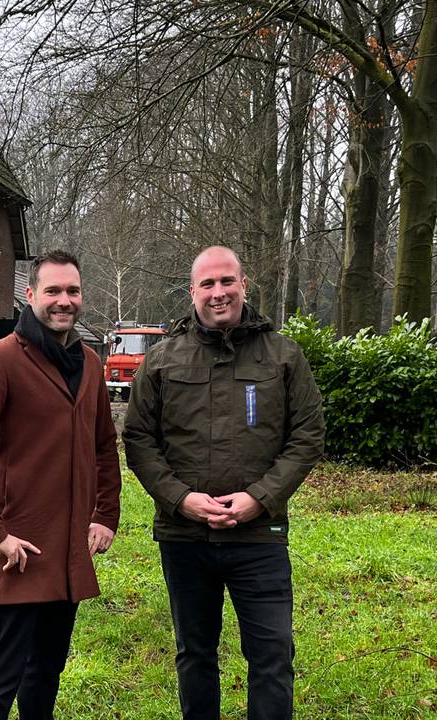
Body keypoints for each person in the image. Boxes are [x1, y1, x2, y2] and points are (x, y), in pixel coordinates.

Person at [123, 246, 324, 720]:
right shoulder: (161, 360)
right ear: (192, 292)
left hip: (260, 536)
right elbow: (138, 440)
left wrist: (261, 498)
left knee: (272, 657)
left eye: (227, 282)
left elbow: (308, 436)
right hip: (185, 537)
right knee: (194, 654)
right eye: (208, 284)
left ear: (244, 285)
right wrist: (181, 499)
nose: (219, 293)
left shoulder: (284, 356)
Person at [0, 249, 122, 720]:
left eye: (72, 291)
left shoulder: (88, 362)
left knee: (46, 671)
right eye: (53, 291)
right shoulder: (0, 359)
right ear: (31, 296)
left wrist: (105, 514)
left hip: (68, 551)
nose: (64, 300)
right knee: (1, 674)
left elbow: (104, 444)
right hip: (20, 549)